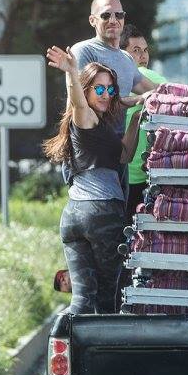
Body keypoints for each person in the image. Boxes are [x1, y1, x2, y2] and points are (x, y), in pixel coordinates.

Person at [43, 46, 143, 314]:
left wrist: (136, 116)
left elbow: (125, 155)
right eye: (99, 89)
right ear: (86, 89)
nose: (106, 95)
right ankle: (104, 354)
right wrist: (72, 74)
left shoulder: (102, 128)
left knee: (83, 297)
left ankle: (70, 348)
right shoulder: (84, 117)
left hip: (74, 217)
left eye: (110, 90)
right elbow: (77, 100)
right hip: (102, 213)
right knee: (108, 298)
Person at [69, 0, 160, 133]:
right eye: (106, 15)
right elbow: (86, 103)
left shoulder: (127, 58)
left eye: (119, 15)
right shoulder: (83, 50)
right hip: (89, 144)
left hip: (117, 145)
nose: (113, 20)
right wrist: (138, 100)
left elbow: (154, 91)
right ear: (92, 20)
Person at [121, 24, 168, 216]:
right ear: (122, 55)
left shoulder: (112, 80)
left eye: (146, 51)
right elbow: (179, 98)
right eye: (136, 51)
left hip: (121, 176)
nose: (143, 57)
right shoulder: (147, 76)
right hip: (145, 177)